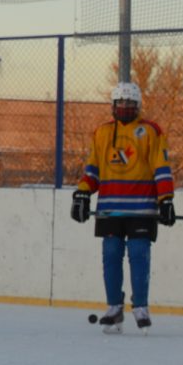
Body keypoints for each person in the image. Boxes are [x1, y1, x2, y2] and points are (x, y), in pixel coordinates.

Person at [71, 80, 174, 332]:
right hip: (110, 208)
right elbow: (93, 169)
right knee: (111, 255)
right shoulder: (102, 133)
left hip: (141, 208)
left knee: (139, 255)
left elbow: (160, 168)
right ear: (113, 105)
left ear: (138, 106)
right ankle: (114, 308)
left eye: (130, 103)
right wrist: (82, 193)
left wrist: (166, 199)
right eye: (120, 102)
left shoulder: (151, 131)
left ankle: (140, 307)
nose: (125, 107)